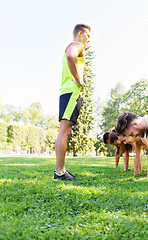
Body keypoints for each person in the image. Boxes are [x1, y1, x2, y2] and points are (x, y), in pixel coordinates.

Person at [54, 24, 91, 181]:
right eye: (87, 36)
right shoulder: (77, 45)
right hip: (71, 91)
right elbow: (70, 55)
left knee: (65, 130)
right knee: (65, 130)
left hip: (66, 91)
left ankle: (60, 171)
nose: (89, 40)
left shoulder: (74, 45)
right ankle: (60, 172)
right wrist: (79, 79)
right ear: (80, 34)